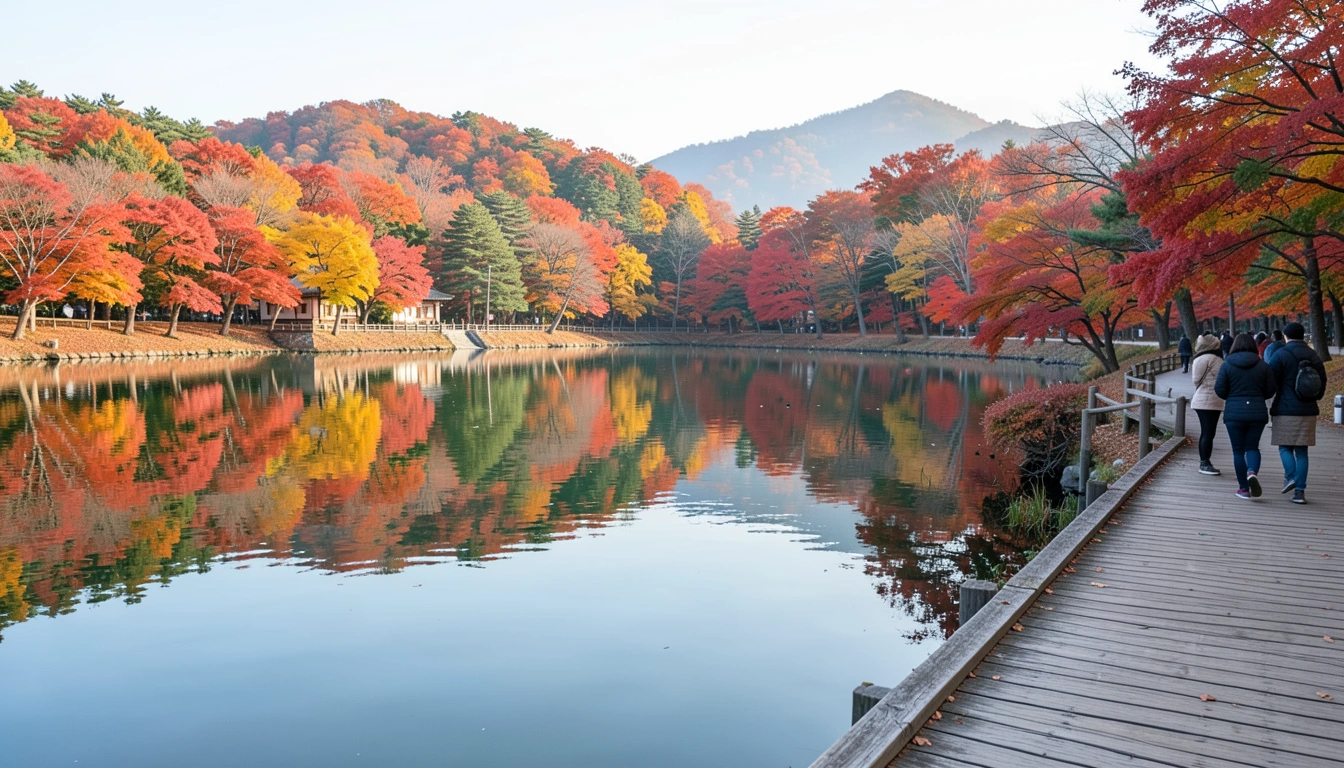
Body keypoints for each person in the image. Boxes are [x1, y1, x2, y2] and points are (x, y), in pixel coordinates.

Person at [1267, 321, 1327, 504]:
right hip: (1308, 409)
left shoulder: (1280, 355)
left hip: (1285, 409)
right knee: (1302, 451)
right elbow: (1322, 382)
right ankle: (1299, 492)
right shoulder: (1314, 355)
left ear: (1285, 336)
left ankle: (1291, 476)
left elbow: (1271, 382)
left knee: (1285, 447)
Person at [1214, 333, 1276, 499]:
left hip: (1234, 412)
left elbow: (1219, 390)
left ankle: (1243, 488)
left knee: (1238, 451)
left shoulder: (1227, 365)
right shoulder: (1263, 365)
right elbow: (1271, 390)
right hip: (1257, 411)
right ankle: (1252, 471)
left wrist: (1232, 396)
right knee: (1253, 447)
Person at [1190, 333, 1225, 475]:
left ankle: (1205, 461)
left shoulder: (1199, 359)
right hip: (1210, 400)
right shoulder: (1216, 359)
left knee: (1207, 432)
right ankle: (1204, 462)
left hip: (1203, 399)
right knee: (1208, 433)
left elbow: (1196, 380)